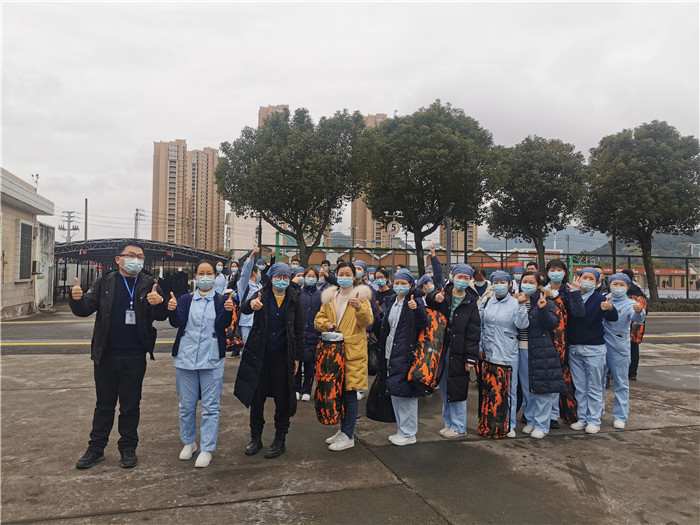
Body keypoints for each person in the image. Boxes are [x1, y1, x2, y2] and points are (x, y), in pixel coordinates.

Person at [70, 241, 168, 469]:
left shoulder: (149, 284)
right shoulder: (105, 281)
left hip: (135, 355)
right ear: (118, 259)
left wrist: (160, 303)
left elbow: (161, 315)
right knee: (104, 405)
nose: (137, 260)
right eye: (131, 255)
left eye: (140, 257)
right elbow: (85, 308)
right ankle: (96, 448)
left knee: (130, 405)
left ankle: (128, 448)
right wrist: (76, 300)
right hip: (105, 354)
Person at [167, 260, 234, 468]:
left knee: (211, 407)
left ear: (215, 276)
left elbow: (222, 325)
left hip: (211, 359)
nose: (205, 277)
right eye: (201, 273)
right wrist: (171, 309)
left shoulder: (221, 300)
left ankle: (207, 448)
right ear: (195, 276)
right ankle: (189, 442)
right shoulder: (186, 300)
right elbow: (177, 322)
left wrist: (228, 311)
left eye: (209, 273)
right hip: (185, 359)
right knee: (186, 406)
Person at [234, 263, 303, 459]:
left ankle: (280, 439)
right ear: (271, 278)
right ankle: (255, 437)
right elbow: (244, 308)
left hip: (283, 357)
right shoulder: (261, 294)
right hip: (260, 356)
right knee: (257, 398)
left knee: (283, 399)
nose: (282, 281)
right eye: (278, 277)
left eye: (285, 277)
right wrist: (251, 305)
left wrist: (297, 357)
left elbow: (299, 329)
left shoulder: (294, 298)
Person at [315, 262, 374, 451]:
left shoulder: (360, 297)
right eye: (341, 274)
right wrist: (328, 325)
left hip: (352, 353)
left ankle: (349, 435)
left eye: (348, 274)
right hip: (333, 352)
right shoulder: (330, 296)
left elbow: (368, 321)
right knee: (338, 393)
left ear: (354, 277)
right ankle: (342, 430)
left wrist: (359, 308)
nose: (344, 277)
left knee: (350, 393)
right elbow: (318, 319)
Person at [425, 263, 480, 438]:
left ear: (470, 280)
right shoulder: (444, 294)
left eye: (466, 278)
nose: (462, 280)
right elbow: (429, 302)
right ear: (452, 276)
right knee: (444, 386)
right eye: (459, 277)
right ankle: (448, 422)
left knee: (457, 387)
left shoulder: (471, 302)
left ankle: (459, 426)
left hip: (459, 350)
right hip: (441, 347)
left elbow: (473, 332)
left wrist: (470, 357)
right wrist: (434, 296)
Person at [378, 269, 428, 445]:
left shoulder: (415, 301)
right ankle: (401, 429)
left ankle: (409, 433)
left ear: (411, 285)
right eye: (397, 283)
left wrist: (417, 310)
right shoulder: (392, 301)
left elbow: (424, 324)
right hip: (390, 352)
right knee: (395, 391)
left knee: (407, 394)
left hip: (406, 354)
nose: (399, 286)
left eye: (403, 283)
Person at [567, 267, 618, 434]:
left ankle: (594, 420)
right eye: (585, 277)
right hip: (574, 348)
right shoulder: (571, 295)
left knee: (594, 386)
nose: (587, 281)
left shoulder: (600, 299)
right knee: (580, 387)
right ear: (578, 278)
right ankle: (582, 418)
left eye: (591, 279)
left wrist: (610, 308)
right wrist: (574, 294)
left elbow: (612, 317)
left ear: (597, 283)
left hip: (593, 348)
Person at [479, 270, 528, 437]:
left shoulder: (515, 303)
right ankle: (490, 421)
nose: (499, 285)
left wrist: (521, 306)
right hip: (489, 352)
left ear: (508, 284)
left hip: (508, 352)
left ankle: (509, 424)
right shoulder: (487, 302)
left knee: (509, 390)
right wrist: (480, 346)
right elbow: (481, 326)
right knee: (490, 389)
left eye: (503, 282)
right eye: (496, 282)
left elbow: (522, 325)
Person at [516, 271, 565, 439]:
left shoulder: (546, 301)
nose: (527, 284)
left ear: (538, 285)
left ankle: (542, 424)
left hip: (540, 349)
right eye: (525, 281)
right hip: (521, 349)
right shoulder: (517, 300)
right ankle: (531, 420)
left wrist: (543, 309)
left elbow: (552, 324)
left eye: (531, 282)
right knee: (527, 388)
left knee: (542, 388)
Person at [543, 259, 584, 429]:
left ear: (565, 272)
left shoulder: (569, 291)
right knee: (544, 377)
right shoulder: (541, 291)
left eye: (559, 270)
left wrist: (575, 293)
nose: (556, 273)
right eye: (552, 270)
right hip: (544, 340)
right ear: (547, 273)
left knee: (557, 377)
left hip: (563, 342)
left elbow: (578, 313)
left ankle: (555, 415)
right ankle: (541, 413)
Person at [602, 273, 646, 429]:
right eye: (615, 284)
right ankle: (596, 410)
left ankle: (620, 415)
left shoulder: (631, 303)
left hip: (619, 346)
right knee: (598, 381)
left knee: (621, 382)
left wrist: (639, 311)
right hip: (600, 344)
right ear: (610, 285)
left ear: (627, 287)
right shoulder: (603, 299)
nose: (618, 287)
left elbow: (637, 318)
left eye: (622, 285)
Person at [296, 267, 322, 402]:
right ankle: (296, 388)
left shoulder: (321, 295)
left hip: (313, 333)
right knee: (296, 362)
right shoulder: (298, 293)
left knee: (310, 364)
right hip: (299, 333)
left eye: (313, 276)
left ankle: (307, 389)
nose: (310, 278)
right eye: (308, 276)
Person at [622, 269, 647, 380]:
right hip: (637, 326)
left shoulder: (622, 292)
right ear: (632, 278)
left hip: (623, 326)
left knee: (621, 350)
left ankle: (620, 372)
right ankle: (632, 373)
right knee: (634, 348)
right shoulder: (639, 292)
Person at [237, 247, 263, 348]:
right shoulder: (244, 285)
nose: (260, 274)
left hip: (259, 322)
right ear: (254, 273)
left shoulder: (260, 286)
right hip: (247, 321)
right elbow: (245, 273)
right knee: (248, 347)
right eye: (259, 272)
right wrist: (252, 256)